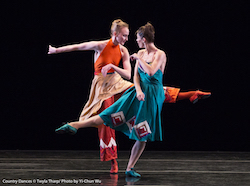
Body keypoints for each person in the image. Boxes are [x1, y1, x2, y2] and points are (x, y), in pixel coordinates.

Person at [55, 22, 177, 177]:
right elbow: (135, 77)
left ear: (144, 39)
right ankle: (74, 125)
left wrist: (138, 60)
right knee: (109, 114)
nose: (134, 40)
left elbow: (151, 72)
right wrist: (138, 90)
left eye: (137, 38)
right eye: (126, 35)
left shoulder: (159, 54)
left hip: (151, 95)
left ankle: (129, 168)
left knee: (142, 133)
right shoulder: (138, 53)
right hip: (136, 91)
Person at [48, 19, 133, 174]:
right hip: (102, 87)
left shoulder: (123, 51)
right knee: (105, 120)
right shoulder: (100, 45)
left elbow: (128, 74)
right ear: (115, 34)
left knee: (138, 91)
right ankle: (113, 161)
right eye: (124, 36)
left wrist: (114, 67)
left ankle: (178, 95)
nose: (126, 39)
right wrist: (56, 50)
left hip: (117, 82)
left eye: (127, 36)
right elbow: (78, 46)